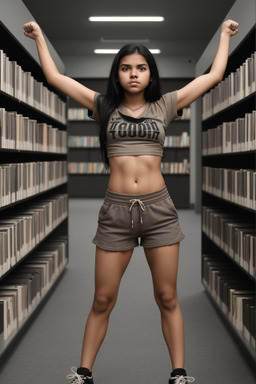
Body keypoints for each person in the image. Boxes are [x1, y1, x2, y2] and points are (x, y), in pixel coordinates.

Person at [23, 19, 238, 384]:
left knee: (167, 297)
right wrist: (40, 38)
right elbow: (57, 79)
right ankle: (84, 373)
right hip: (116, 213)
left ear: (150, 74)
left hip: (159, 211)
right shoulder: (102, 106)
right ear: (117, 74)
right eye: (126, 68)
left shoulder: (167, 105)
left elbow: (214, 76)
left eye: (141, 68)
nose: (133, 74)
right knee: (103, 299)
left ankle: (179, 374)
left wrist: (225, 37)